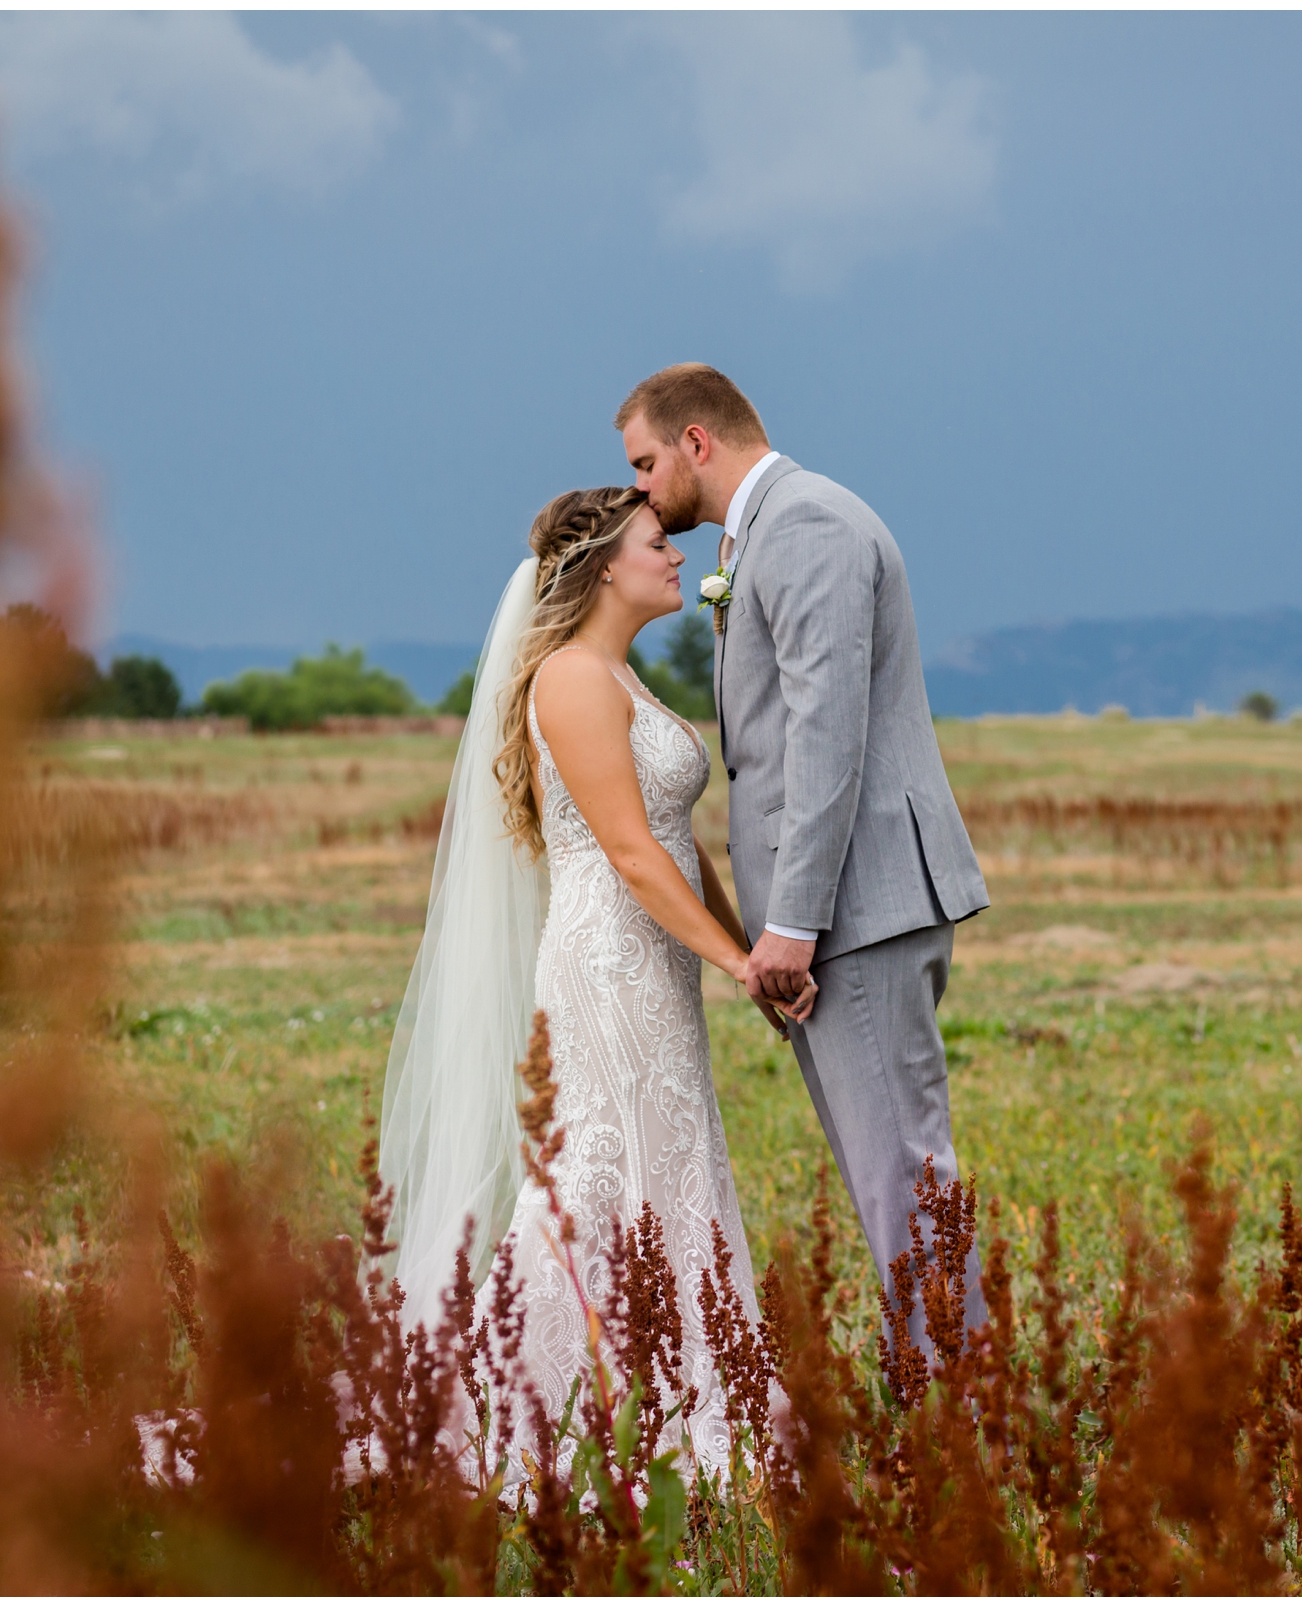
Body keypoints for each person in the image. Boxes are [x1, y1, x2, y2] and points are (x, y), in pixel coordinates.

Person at [377, 485, 804, 1482]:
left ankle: (677, 1384)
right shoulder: (571, 676)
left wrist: (753, 953)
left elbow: (678, 845)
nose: (676, 559)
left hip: (655, 963)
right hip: (604, 962)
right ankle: (539, 1398)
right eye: (659, 543)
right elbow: (625, 849)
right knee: (590, 1177)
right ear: (607, 564)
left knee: (672, 1161)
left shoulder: (621, 673)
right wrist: (739, 963)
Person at [618, 363, 992, 1350]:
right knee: (891, 1173)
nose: (644, 491)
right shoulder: (767, 530)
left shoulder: (808, 524)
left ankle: (971, 1416)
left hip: (854, 907)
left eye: (648, 463)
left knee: (903, 1172)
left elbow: (828, 729)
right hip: (848, 907)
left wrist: (790, 922)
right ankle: (953, 1397)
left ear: (698, 440)